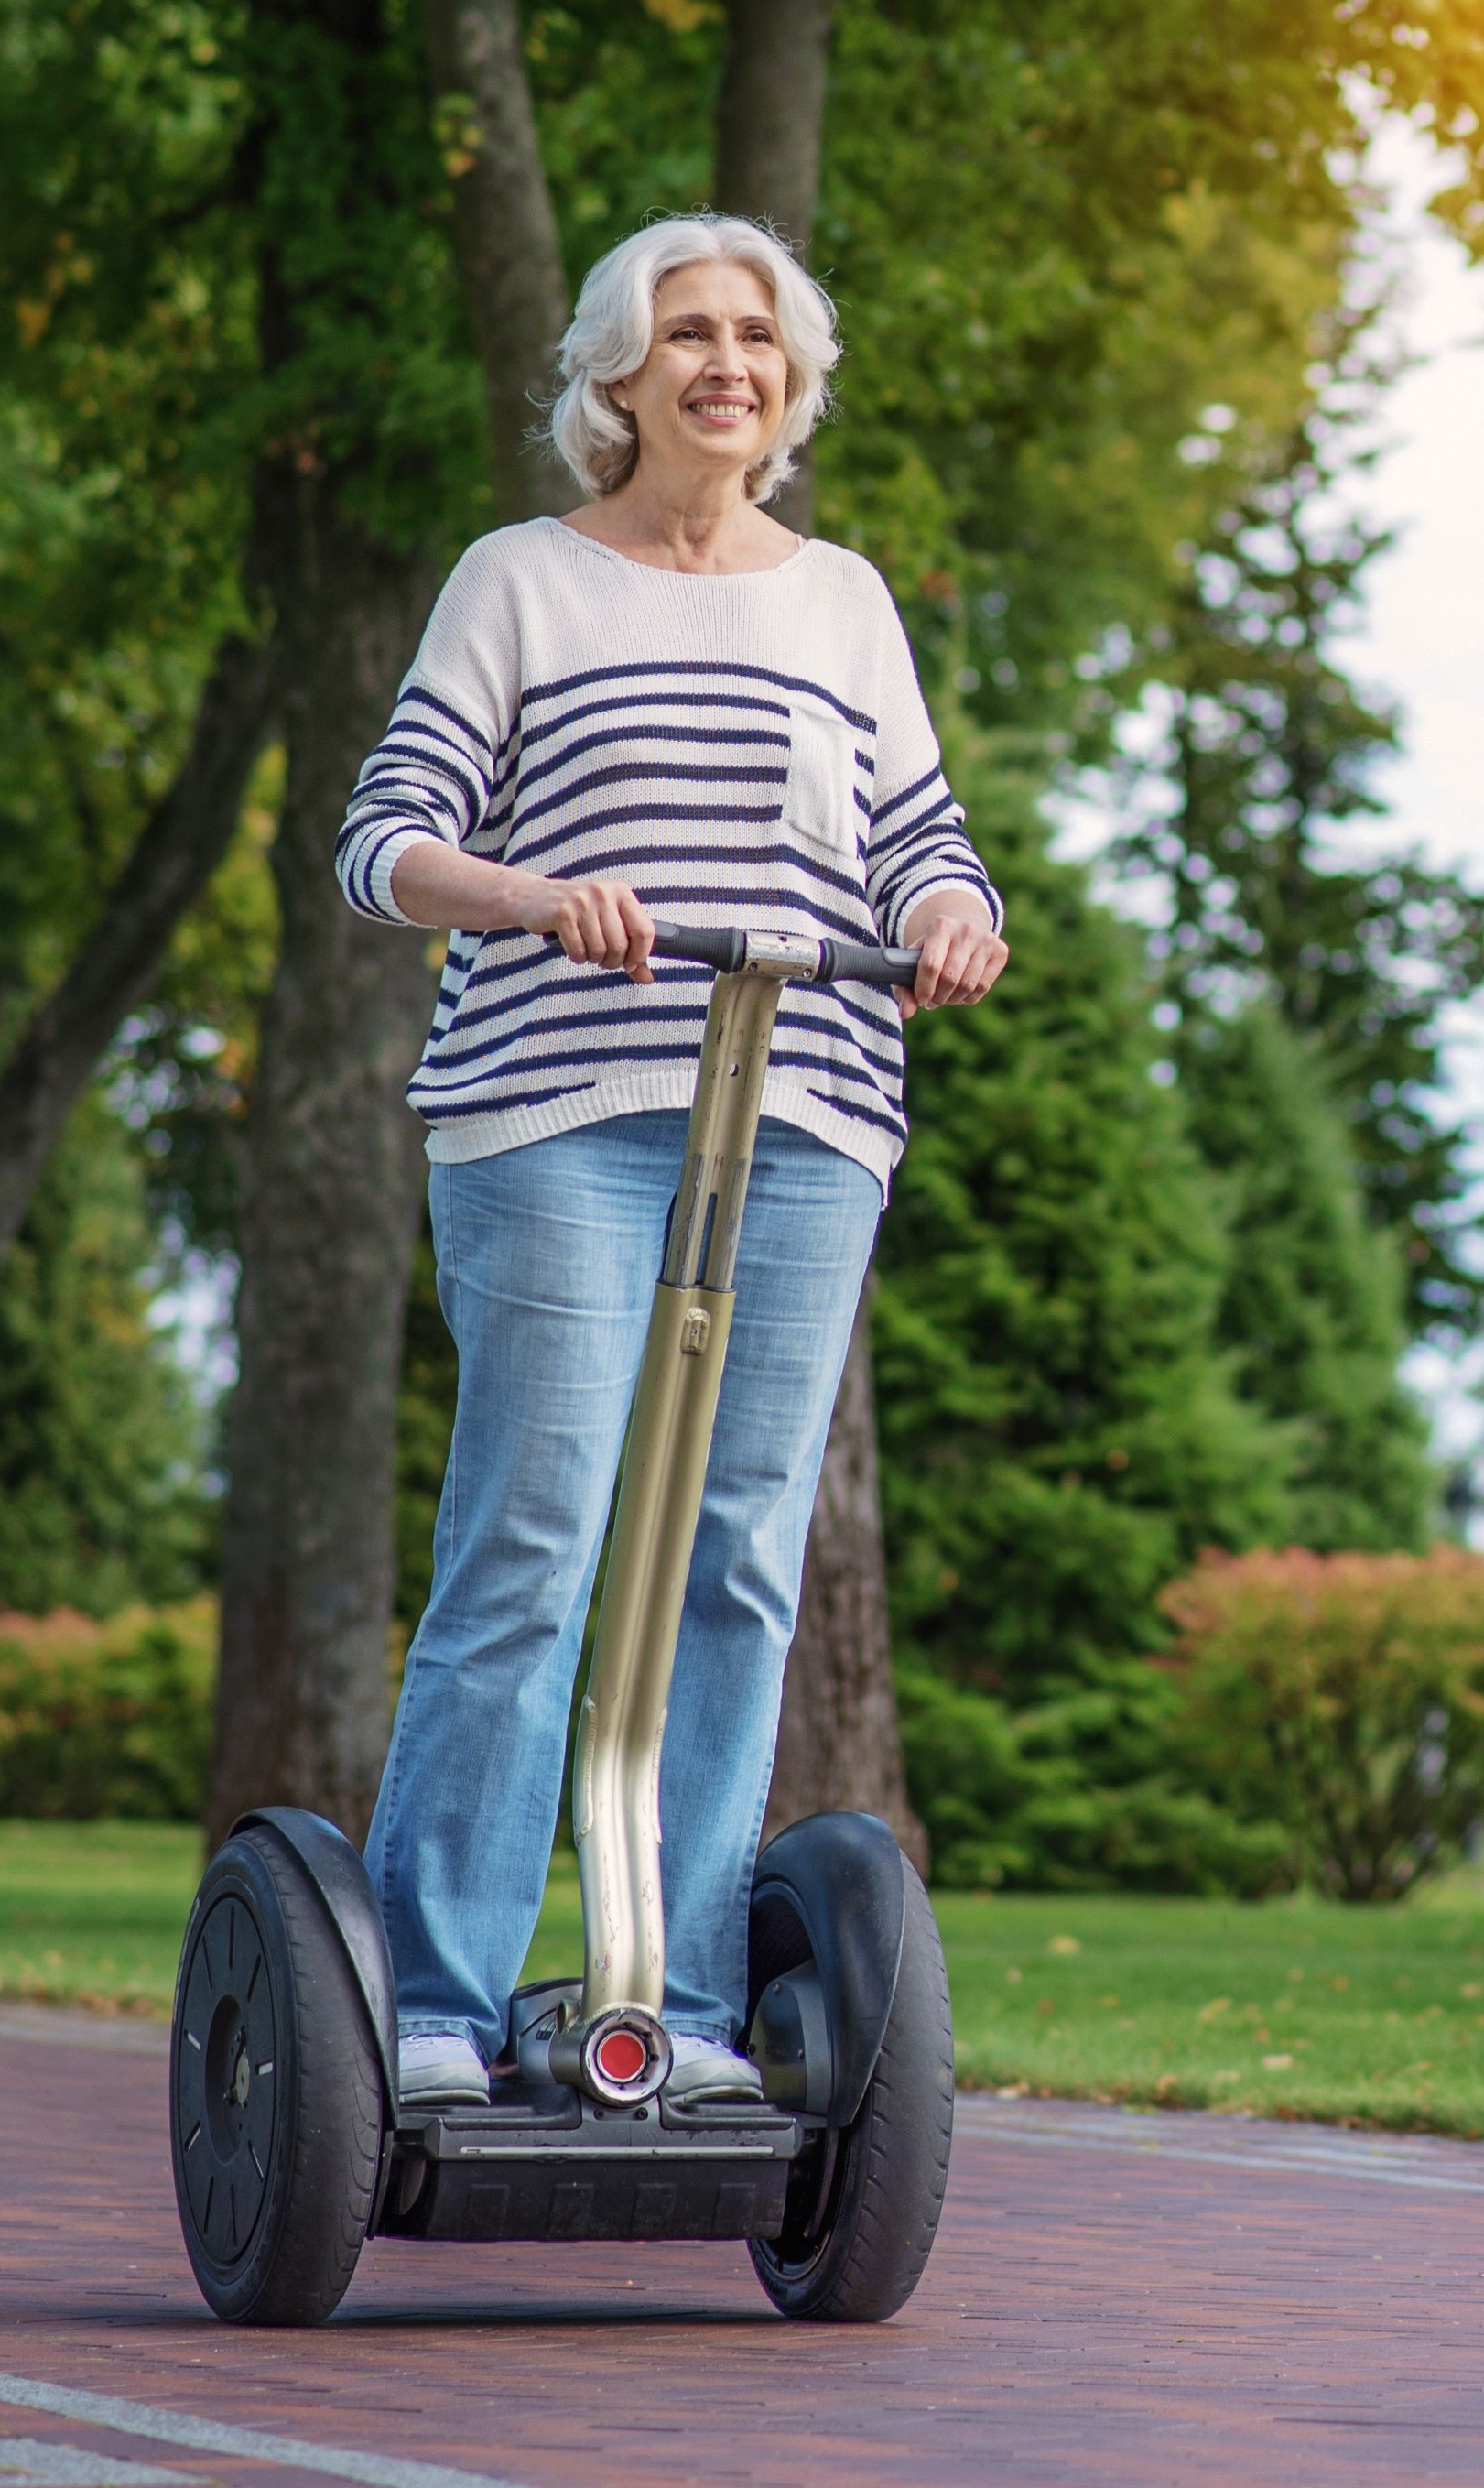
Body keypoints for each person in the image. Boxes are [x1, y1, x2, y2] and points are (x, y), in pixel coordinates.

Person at [334, 213, 1009, 2108]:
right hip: (557, 1112)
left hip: (806, 1119)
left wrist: (953, 915)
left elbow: (921, 839)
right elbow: (384, 838)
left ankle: (687, 2005)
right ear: (616, 376)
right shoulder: (521, 579)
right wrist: (529, 893)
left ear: (792, 384)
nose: (730, 362)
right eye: (690, 332)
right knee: (533, 1541)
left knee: (738, 1561)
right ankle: (438, 2004)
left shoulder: (841, 601)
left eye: (759, 337)